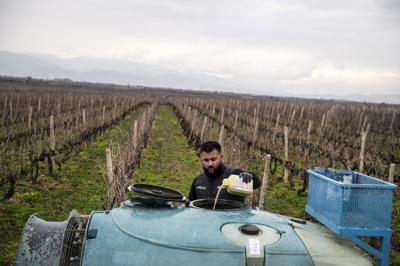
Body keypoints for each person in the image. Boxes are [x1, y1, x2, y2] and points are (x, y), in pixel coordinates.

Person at [188, 141, 261, 203]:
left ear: (221, 157)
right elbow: (190, 205)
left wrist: (249, 176)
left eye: (213, 159)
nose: (210, 163)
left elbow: (256, 183)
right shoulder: (198, 181)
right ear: (201, 160)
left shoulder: (234, 174)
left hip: (230, 219)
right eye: (206, 160)